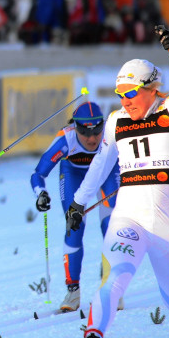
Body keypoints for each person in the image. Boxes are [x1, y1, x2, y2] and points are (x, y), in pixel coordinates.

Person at [67, 25, 169, 338]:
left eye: (131, 93)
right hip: (127, 218)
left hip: (167, 224)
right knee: (111, 281)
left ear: (151, 88)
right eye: (119, 94)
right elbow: (101, 165)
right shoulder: (116, 122)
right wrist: (78, 203)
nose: (124, 100)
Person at [29, 101, 119, 313]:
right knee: (74, 227)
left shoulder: (112, 133)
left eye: (96, 132)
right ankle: (73, 290)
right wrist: (40, 194)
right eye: (84, 133)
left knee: (112, 225)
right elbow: (38, 174)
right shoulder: (66, 139)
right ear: (75, 128)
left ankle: (111, 285)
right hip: (74, 174)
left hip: (106, 174)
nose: (91, 138)